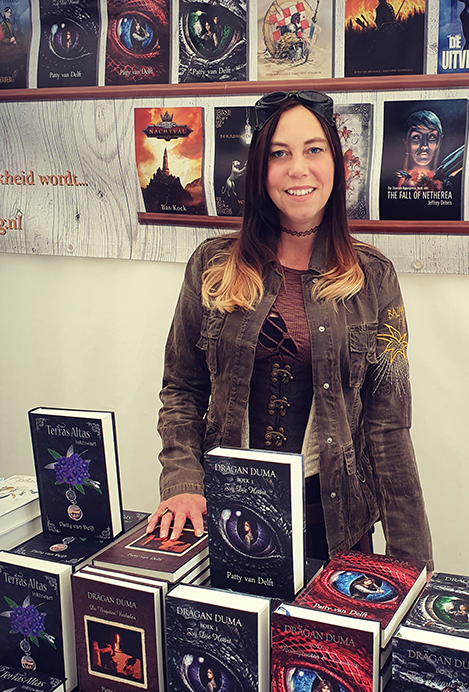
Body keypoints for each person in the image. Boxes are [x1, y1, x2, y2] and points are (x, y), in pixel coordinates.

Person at [147, 91, 433, 568]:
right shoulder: (212, 264)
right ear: (260, 170)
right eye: (279, 153)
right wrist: (181, 482)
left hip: (335, 530)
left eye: (313, 149)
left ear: (336, 164)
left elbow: (388, 427)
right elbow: (182, 388)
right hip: (228, 517)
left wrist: (411, 563)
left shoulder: (374, 277)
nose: (298, 169)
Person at [395, 110, 444, 191]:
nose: (424, 146)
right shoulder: (395, 183)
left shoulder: (443, 184)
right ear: (406, 140)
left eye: (431, 137)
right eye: (416, 137)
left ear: (439, 140)